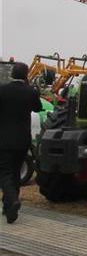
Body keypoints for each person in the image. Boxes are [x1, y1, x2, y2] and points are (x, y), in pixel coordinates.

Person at [0, 62, 43, 224]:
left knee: (4, 173)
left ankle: (11, 200)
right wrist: (32, 89)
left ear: (12, 73)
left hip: (3, 139)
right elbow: (38, 108)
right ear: (26, 75)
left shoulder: (2, 90)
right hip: (22, 139)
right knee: (16, 172)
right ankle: (9, 208)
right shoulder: (30, 92)